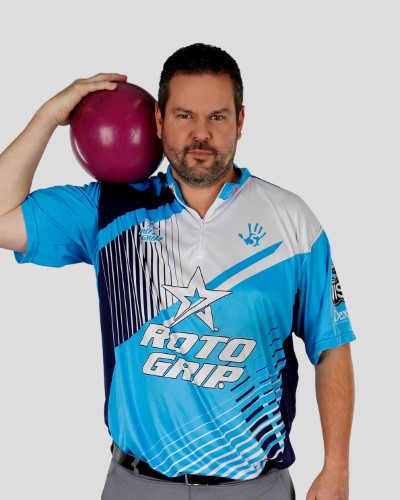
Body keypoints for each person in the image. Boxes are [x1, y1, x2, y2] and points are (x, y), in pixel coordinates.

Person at [0, 43, 355, 500]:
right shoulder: (109, 212)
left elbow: (332, 347)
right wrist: (50, 114)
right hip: (136, 485)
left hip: (254, 488)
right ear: (159, 120)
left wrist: (337, 468)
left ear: (240, 121)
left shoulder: (293, 222)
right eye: (185, 115)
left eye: (217, 117)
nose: (201, 134)